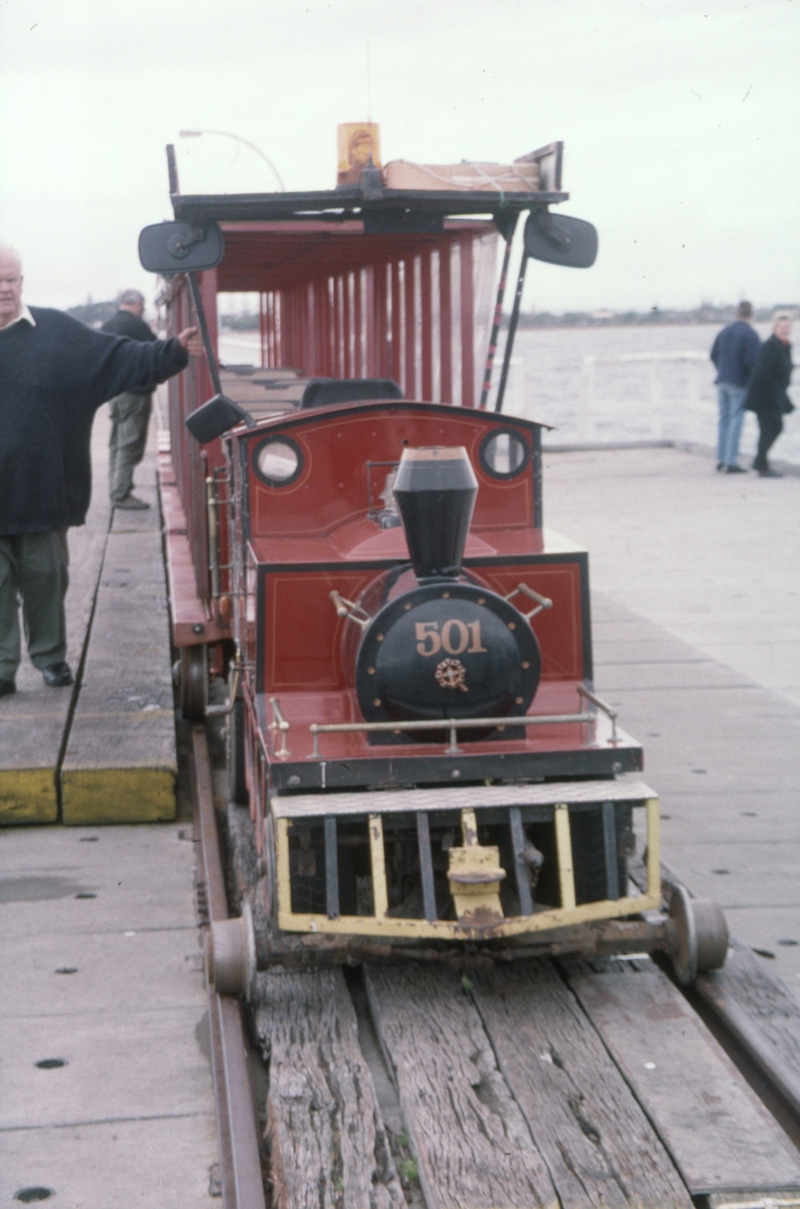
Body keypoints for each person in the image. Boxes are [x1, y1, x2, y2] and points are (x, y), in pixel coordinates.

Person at [0, 244, 201, 698]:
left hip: (43, 493)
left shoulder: (55, 332)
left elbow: (120, 357)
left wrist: (172, 351)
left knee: (46, 579)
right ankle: (2, 667)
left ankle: (50, 658)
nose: (6, 289)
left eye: (12, 279)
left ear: (22, 282)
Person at [101, 289, 157, 510]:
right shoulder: (137, 325)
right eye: (142, 305)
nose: (143, 309)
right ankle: (121, 494)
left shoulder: (107, 326)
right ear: (137, 303)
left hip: (114, 393)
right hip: (135, 393)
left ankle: (115, 488)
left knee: (116, 442)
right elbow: (157, 352)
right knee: (130, 443)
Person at [710, 300, 761, 474]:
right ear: (751, 315)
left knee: (724, 419)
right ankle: (731, 461)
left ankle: (722, 458)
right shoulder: (751, 334)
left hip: (722, 380)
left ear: (736, 314)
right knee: (735, 420)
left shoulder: (724, 331)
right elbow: (751, 361)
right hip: (739, 382)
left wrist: (722, 369)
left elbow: (713, 354)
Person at [745, 311, 795, 478]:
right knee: (772, 428)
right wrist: (777, 397)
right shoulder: (770, 346)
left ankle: (760, 462)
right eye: (782, 327)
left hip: (774, 395)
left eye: (788, 326)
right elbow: (763, 374)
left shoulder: (785, 346)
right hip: (764, 396)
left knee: (770, 429)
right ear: (775, 327)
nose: (785, 329)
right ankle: (761, 464)